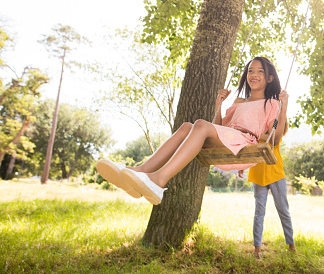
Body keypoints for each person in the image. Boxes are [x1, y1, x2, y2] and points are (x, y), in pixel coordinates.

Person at [96, 56, 289, 205]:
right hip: (228, 138)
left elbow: (276, 139)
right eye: (250, 70)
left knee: (199, 124)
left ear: (270, 77)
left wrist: (284, 106)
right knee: (188, 127)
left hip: (244, 142)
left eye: (260, 71)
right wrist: (218, 104)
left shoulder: (272, 103)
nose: (253, 74)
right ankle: (140, 172)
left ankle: (158, 179)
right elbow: (220, 126)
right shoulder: (239, 101)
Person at [238, 120, 296, 258]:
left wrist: (253, 132)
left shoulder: (276, 133)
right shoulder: (257, 133)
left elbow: (270, 138)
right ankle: (257, 250)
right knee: (259, 213)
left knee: (283, 210)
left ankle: (291, 245)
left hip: (276, 174)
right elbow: (250, 149)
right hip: (258, 176)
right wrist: (242, 165)